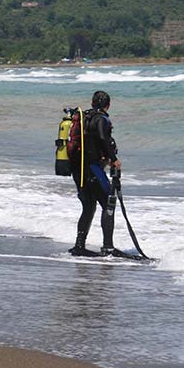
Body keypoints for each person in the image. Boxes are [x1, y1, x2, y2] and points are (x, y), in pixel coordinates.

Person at [69, 90, 122, 257]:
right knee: (108, 204)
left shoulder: (84, 117)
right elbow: (102, 137)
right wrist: (114, 159)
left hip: (78, 168)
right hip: (92, 168)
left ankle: (79, 245)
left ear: (92, 103)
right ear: (108, 105)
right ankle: (108, 247)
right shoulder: (101, 119)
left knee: (89, 205)